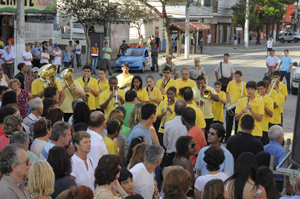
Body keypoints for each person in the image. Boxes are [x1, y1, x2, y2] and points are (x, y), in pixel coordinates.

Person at [263, 125, 287, 192]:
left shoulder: (263, 148)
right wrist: (287, 184)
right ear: (279, 137)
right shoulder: (281, 150)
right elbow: (283, 171)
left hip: (264, 182)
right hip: (277, 183)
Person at [163, 100, 187, 166]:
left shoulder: (167, 124)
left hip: (171, 155)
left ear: (174, 110)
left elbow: (165, 142)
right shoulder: (187, 125)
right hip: (184, 156)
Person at [225, 70, 247, 141]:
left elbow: (246, 94)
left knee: (237, 123)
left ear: (241, 76)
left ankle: (236, 137)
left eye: (238, 76)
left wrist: (243, 97)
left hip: (239, 106)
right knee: (229, 123)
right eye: (236, 76)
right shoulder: (231, 83)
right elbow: (227, 91)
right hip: (231, 106)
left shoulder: (244, 84)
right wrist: (227, 98)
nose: (237, 78)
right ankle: (227, 137)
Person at [257, 81, 274, 145]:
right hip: (255, 128)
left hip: (264, 127)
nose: (259, 91)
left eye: (261, 89)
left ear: (265, 88)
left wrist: (263, 106)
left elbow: (271, 114)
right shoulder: (255, 98)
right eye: (258, 89)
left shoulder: (269, 99)